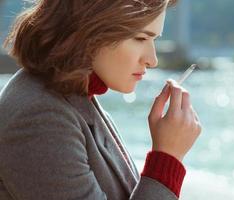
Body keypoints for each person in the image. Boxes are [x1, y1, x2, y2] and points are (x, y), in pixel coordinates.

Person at [0, 0, 201, 199]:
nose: (152, 59)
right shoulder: (40, 118)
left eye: (154, 39)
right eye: (140, 38)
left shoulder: (74, 95)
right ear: (92, 29)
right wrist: (167, 159)